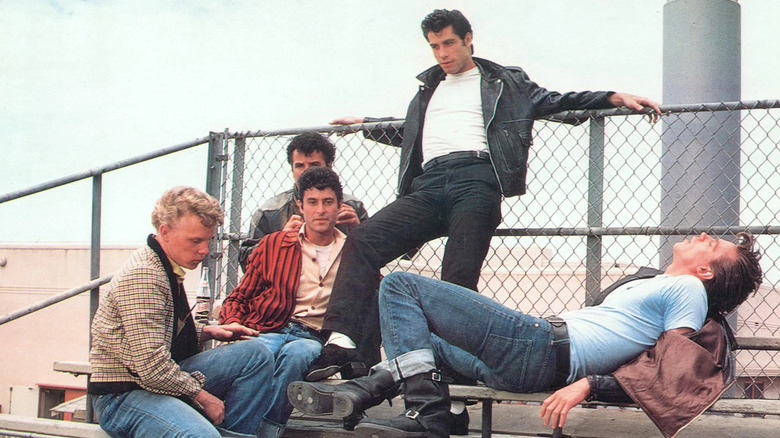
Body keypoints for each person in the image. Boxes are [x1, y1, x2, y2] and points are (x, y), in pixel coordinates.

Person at [307, 8, 663, 379]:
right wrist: (365, 125)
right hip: (429, 183)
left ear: (468, 39)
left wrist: (612, 97)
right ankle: (342, 344)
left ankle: (453, 377)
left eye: (449, 43)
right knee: (363, 240)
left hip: (476, 179)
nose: (442, 54)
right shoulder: (428, 88)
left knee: (456, 281)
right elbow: (410, 135)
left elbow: (555, 100)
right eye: (434, 47)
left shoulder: (504, 82)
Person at [288, 232, 762, 437]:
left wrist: (590, 384)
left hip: (541, 346)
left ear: (705, 271)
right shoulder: (659, 283)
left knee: (399, 286)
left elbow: (670, 367)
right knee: (424, 343)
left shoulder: (687, 290)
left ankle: (426, 416)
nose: (703, 235)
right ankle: (363, 391)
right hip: (529, 365)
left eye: (713, 245)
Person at [88, 186, 271, 438]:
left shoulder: (164, 264)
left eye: (208, 240)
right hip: (122, 395)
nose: (204, 250)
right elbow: (151, 367)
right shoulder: (144, 275)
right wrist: (203, 396)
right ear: (165, 231)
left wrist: (208, 332)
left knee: (256, 355)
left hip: (150, 380)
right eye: (195, 241)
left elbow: (158, 335)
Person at [219, 167, 369, 436]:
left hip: (313, 337)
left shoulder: (354, 251)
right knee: (258, 354)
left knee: (295, 355)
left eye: (328, 202)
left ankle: (268, 431)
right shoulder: (275, 244)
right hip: (269, 328)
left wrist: (362, 232)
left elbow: (373, 295)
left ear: (340, 206)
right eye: (312, 202)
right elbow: (240, 296)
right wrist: (232, 323)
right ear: (300, 206)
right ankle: (235, 430)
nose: (320, 210)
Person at [239, 132, 369, 270]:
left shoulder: (353, 207)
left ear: (329, 166)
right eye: (300, 166)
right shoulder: (270, 212)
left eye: (314, 164)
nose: (306, 172)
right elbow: (246, 263)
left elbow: (376, 258)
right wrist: (278, 242)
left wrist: (359, 231)